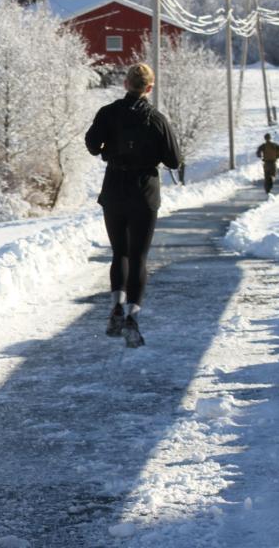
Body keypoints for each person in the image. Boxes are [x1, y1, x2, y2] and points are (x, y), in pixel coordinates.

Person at [85, 63, 180, 348]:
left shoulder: (108, 113)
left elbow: (91, 144)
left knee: (120, 253)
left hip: (114, 189)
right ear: (149, 88)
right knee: (138, 256)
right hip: (144, 193)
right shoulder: (157, 119)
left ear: (126, 83)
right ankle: (132, 318)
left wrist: (108, 151)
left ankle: (116, 305)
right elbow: (174, 160)